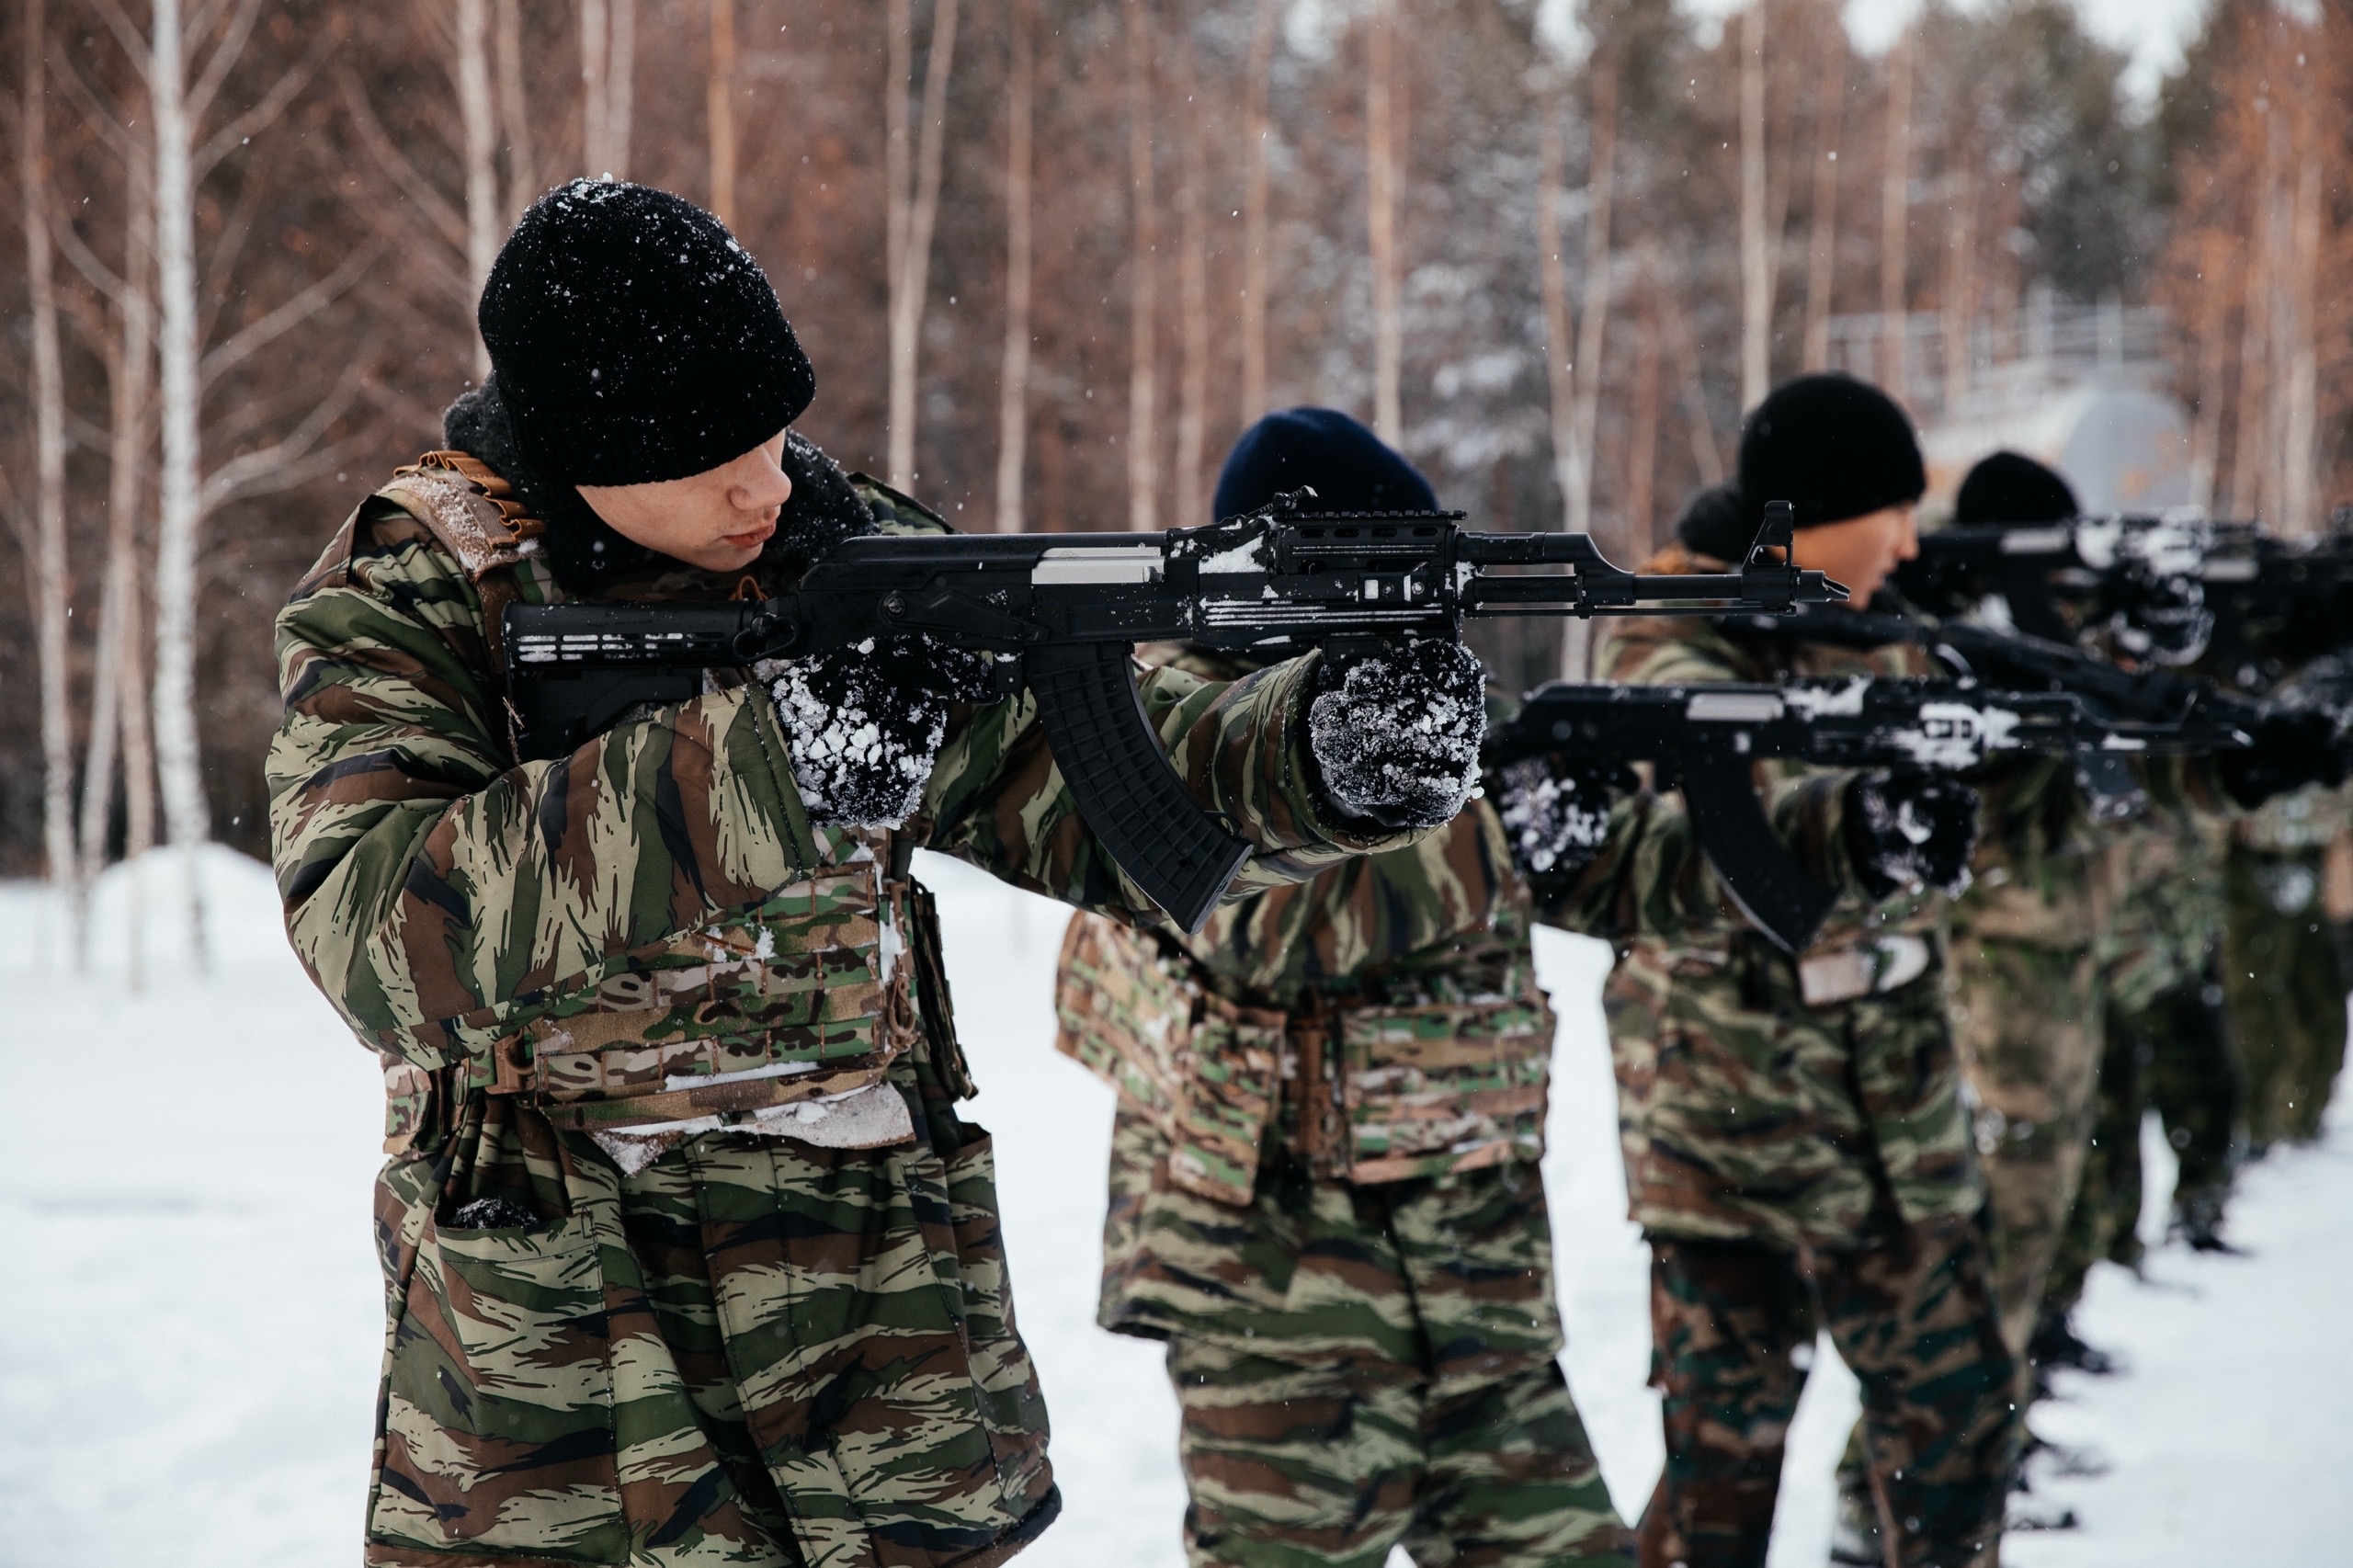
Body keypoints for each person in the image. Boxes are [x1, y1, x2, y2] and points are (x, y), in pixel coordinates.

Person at [265, 183, 1487, 1568]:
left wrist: (1313, 756)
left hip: (872, 1357)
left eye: (775, 435)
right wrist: (767, 759)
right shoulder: (412, 598)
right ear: (573, 450)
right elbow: (376, 937)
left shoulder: (843, 552)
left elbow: (1084, 777)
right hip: (571, 1373)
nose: (764, 486)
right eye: (708, 457)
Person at [1595, 375, 2016, 1568]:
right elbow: (1691, 823)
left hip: (1898, 1113)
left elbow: (2005, 812)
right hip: (1729, 1119)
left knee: (1963, 1423)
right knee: (1721, 1470)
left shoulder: (1884, 623)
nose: (1911, 540)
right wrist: (1861, 807)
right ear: (1818, 514)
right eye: (1893, 511)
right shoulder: (1662, 628)